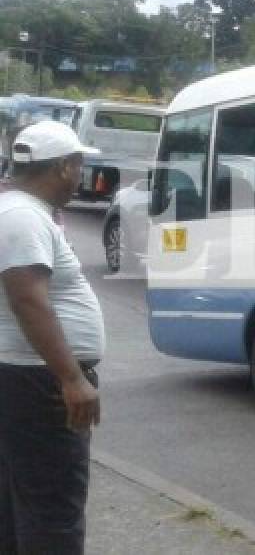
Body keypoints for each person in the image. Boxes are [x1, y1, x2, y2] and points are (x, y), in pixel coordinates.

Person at [0, 121, 104, 554]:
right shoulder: (23, 216)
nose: (80, 175)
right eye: (79, 165)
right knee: (53, 509)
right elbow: (28, 299)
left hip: (23, 379)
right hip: (39, 382)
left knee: (17, 503)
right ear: (63, 166)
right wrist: (72, 378)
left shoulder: (16, 211)